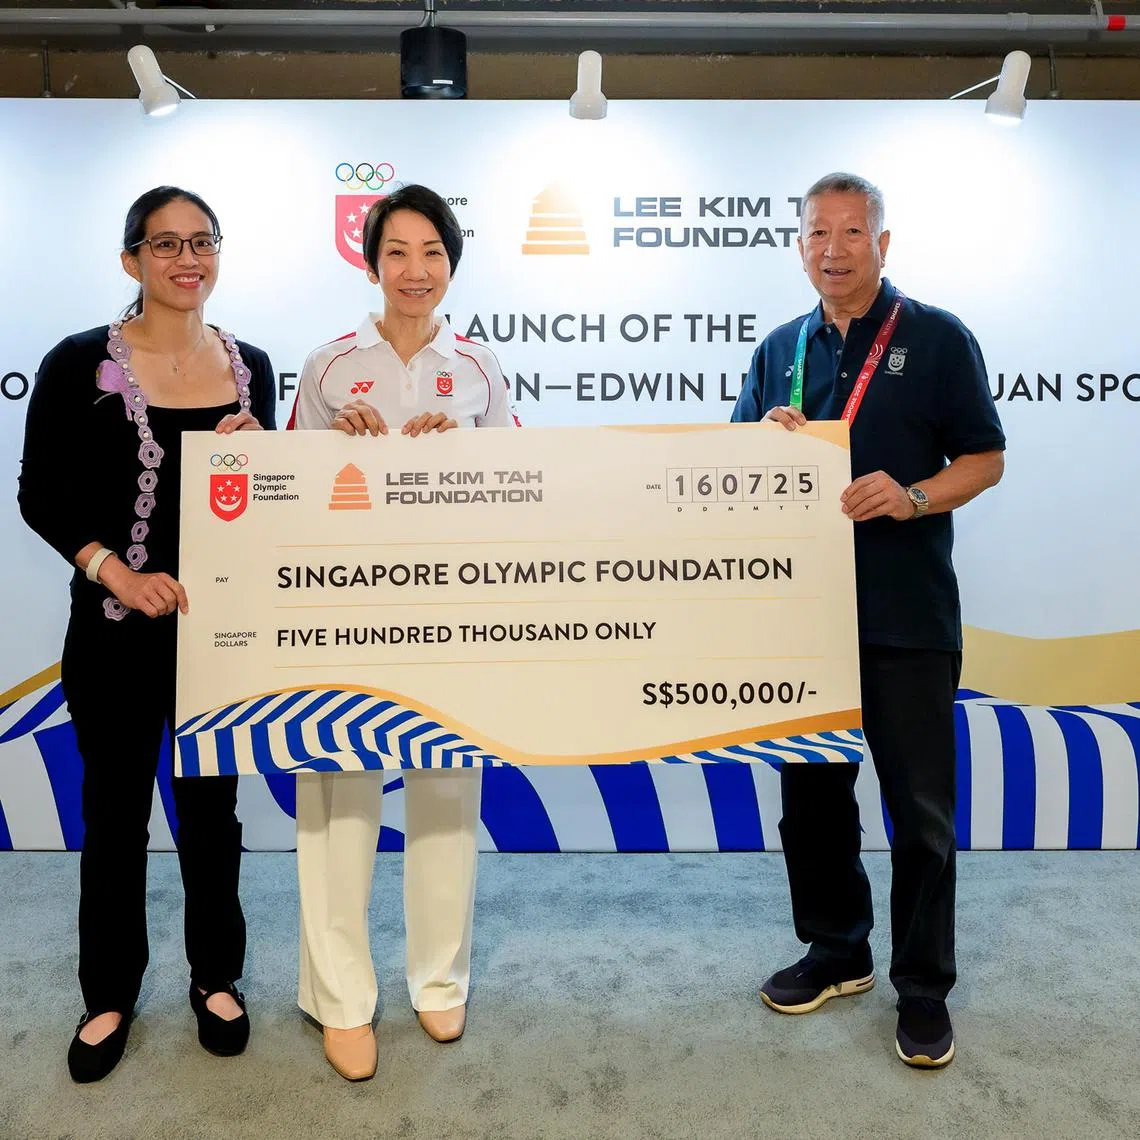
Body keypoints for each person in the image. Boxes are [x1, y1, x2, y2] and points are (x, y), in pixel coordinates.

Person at [732, 172, 1005, 1068]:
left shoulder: (934, 338)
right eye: (818, 233)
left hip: (907, 615)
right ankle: (836, 948)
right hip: (801, 618)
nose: (834, 249)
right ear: (799, 245)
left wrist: (915, 493)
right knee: (809, 802)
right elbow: (730, 466)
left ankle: (922, 988)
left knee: (919, 810)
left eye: (853, 232)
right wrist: (764, 442)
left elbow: (986, 458)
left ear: (883, 244)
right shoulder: (780, 348)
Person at [18, 186, 276, 1083]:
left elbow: (265, 508)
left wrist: (261, 453)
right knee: (115, 815)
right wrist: (114, 572)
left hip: (219, 638)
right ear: (132, 260)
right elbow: (39, 495)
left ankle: (217, 977)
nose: (186, 259)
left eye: (202, 241)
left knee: (213, 813)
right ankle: (109, 993)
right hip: (114, 630)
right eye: (165, 244)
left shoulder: (254, 367)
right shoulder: (77, 362)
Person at [288, 183, 519, 1081]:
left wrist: (460, 450)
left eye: (431, 253)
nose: (414, 271)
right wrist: (330, 445)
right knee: (339, 796)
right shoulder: (327, 363)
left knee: (446, 794)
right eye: (397, 253)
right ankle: (340, 995)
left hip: (449, 613)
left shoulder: (483, 370)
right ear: (371, 260)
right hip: (343, 611)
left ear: (451, 264)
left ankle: (438, 979)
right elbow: (285, 496)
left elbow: (517, 488)